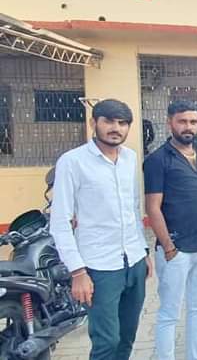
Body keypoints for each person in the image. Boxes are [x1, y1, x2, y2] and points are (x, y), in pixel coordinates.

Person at [50, 99, 150, 360]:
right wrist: (77, 272)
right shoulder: (73, 162)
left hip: (134, 261)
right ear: (93, 123)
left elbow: (133, 209)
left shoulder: (130, 158)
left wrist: (143, 251)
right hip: (99, 267)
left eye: (122, 123)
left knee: (127, 336)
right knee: (106, 341)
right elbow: (60, 222)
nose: (116, 128)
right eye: (108, 121)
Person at [144, 100, 197, 360]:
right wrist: (168, 246)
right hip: (176, 250)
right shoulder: (157, 160)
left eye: (193, 122)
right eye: (182, 121)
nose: (188, 127)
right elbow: (153, 207)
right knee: (169, 313)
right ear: (170, 123)